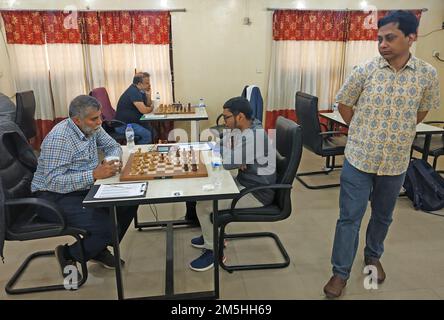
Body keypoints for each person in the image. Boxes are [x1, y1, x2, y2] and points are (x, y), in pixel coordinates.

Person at [323, 10, 440, 298]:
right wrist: (361, 129)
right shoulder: (365, 70)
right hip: (359, 158)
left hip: (396, 161)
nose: (382, 44)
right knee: (349, 217)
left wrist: (398, 131)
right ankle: (340, 273)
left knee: (383, 216)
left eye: (390, 38)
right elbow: (344, 103)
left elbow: (422, 110)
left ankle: (373, 256)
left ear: (411, 38)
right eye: (379, 38)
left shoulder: (427, 74)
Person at [31, 95, 138, 277]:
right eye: (95, 118)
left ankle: (97, 248)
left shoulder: (92, 126)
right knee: (108, 228)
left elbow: (113, 146)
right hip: (52, 196)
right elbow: (53, 181)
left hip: (82, 187)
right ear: (77, 120)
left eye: (100, 116)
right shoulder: (60, 138)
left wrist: (110, 162)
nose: (100, 122)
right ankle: (68, 254)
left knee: (129, 200)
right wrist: (94, 174)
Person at [188, 96, 276, 272]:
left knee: (204, 205)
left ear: (240, 116)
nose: (224, 121)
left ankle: (214, 251)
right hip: (244, 182)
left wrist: (233, 155)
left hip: (256, 192)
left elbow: (227, 162)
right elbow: (218, 145)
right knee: (207, 193)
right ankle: (212, 236)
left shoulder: (255, 136)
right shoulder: (242, 128)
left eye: (227, 117)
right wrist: (234, 153)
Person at [115, 72, 155, 144]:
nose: (149, 85)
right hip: (124, 125)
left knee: (153, 132)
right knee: (147, 135)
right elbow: (144, 110)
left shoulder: (140, 91)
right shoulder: (133, 92)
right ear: (139, 84)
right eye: (147, 83)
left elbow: (148, 104)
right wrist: (152, 108)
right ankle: (138, 153)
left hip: (133, 122)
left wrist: (149, 94)